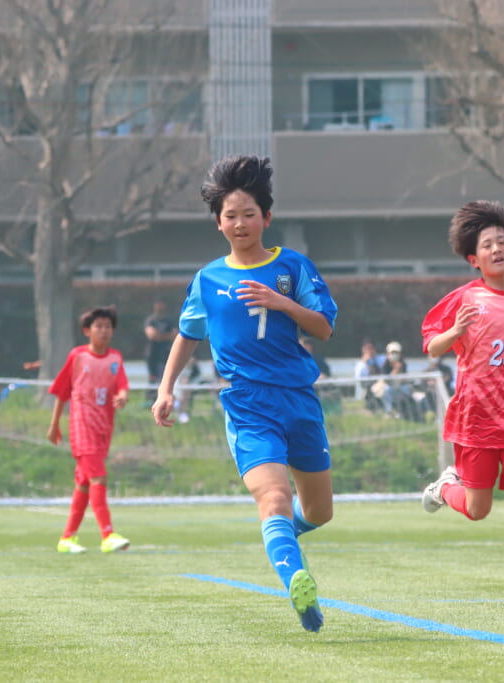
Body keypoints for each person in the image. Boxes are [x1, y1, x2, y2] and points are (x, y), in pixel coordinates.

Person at [151, 155, 337, 632]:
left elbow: (324, 328)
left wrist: (282, 302)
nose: (239, 223)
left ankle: (282, 541)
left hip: (299, 399)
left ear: (266, 218)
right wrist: (166, 389)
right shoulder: (208, 279)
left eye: (248, 214)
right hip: (248, 402)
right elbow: (187, 335)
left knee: (319, 511)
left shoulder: (293, 266)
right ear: (218, 223)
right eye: (230, 215)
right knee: (273, 496)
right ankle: (295, 578)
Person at [419, 200, 504, 609]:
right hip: (477, 416)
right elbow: (431, 347)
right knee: (478, 509)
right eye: (487, 245)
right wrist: (455, 331)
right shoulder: (464, 299)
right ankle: (446, 487)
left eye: (502, 242)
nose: (497, 249)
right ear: (474, 259)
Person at [47, 306, 131, 555]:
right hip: (81, 426)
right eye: (99, 326)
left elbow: (122, 386)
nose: (104, 331)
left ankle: (67, 538)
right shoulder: (77, 356)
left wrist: (123, 396)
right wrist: (54, 425)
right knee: (98, 478)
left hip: (104, 427)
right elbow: (62, 392)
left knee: (84, 484)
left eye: (108, 327)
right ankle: (107, 535)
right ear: (87, 331)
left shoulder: (115, 358)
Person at [144, 299, 178, 402]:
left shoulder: (169, 321)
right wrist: (166, 336)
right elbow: (152, 335)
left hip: (166, 354)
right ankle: (151, 399)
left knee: (165, 378)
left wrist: (160, 336)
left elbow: (176, 335)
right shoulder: (151, 320)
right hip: (153, 355)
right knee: (154, 378)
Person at [380, 341, 419, 421]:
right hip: (390, 387)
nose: (394, 355)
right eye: (392, 353)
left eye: (396, 353)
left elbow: (404, 379)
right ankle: (388, 412)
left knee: (407, 389)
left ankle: (405, 411)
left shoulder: (403, 364)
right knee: (387, 390)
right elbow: (387, 380)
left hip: (401, 386)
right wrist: (396, 369)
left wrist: (400, 369)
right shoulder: (385, 365)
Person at [354, 339, 381, 403]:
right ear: (363, 350)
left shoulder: (381, 359)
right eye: (367, 349)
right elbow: (358, 380)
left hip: (379, 387)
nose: (369, 351)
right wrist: (366, 362)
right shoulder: (359, 365)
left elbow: (378, 375)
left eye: (371, 348)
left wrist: (370, 363)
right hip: (365, 389)